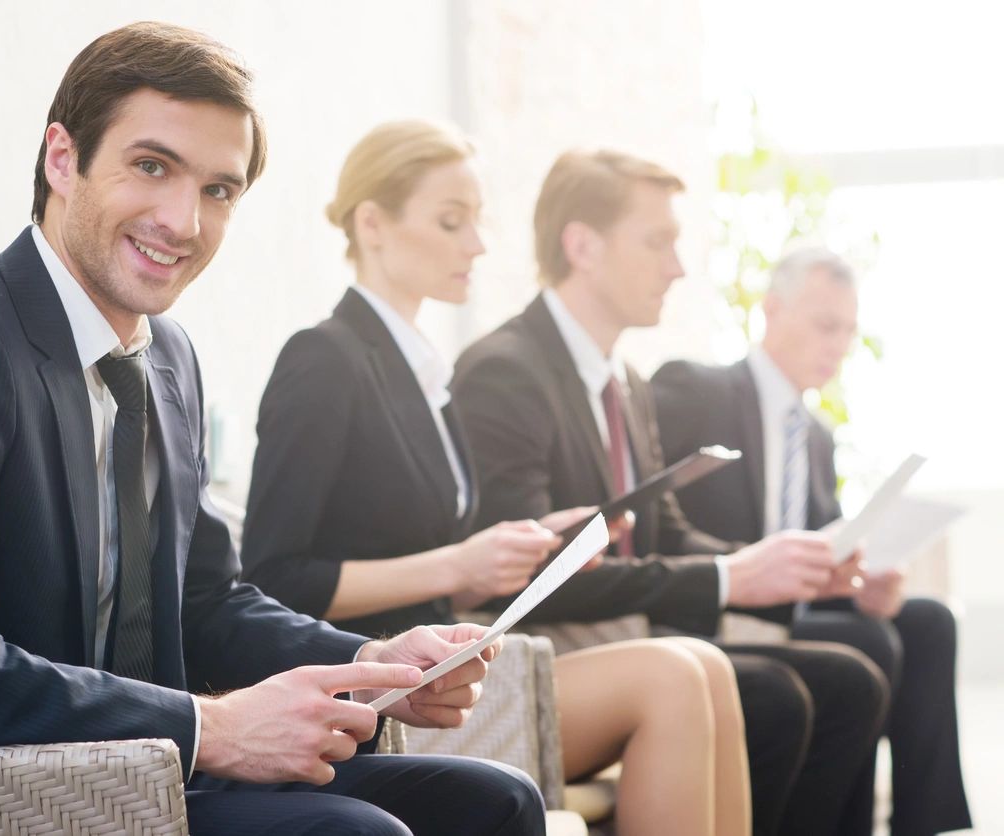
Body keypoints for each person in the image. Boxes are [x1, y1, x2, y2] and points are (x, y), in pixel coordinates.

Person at [0, 23, 545, 836]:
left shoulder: (165, 358)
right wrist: (211, 727)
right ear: (61, 159)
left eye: (218, 190)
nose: (183, 220)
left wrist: (370, 664)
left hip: (131, 766)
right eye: (151, 166)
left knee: (496, 801)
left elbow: (206, 602)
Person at [241, 120, 751, 836]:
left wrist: (519, 550)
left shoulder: (421, 375)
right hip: (376, 688)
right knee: (672, 678)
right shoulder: (324, 359)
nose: (476, 245)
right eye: (452, 222)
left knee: (703, 666)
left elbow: (433, 559)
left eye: (476, 222)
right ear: (373, 224)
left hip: (444, 668)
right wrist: (459, 562)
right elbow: (274, 575)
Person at [451, 149, 890, 836]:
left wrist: (770, 563)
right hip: (551, 649)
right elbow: (529, 578)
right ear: (582, 245)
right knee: (779, 697)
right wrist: (725, 576)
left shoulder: (622, 379)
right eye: (658, 242)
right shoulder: (504, 372)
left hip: (627, 631)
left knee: (849, 679)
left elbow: (665, 529)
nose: (677, 267)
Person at [650, 245, 973, 836]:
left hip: (794, 611)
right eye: (826, 325)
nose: (838, 345)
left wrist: (864, 580)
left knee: (927, 622)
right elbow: (658, 526)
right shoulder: (697, 390)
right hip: (718, 606)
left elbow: (829, 547)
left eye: (848, 331)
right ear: (771, 311)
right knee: (865, 641)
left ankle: (930, 826)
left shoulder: (818, 438)